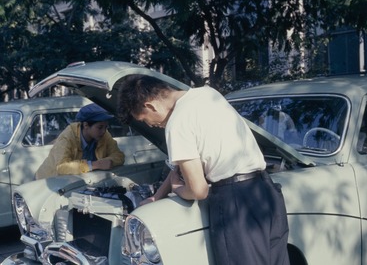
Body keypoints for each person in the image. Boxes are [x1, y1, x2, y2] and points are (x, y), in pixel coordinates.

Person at [117, 75, 290, 265]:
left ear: (151, 106)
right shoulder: (208, 95)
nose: (150, 125)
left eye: (144, 119)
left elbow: (199, 190)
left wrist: (177, 189)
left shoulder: (177, 124)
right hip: (266, 192)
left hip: (236, 203)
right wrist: (157, 196)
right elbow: (180, 168)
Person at [35, 103, 125, 179]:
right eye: (100, 127)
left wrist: (109, 161)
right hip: (47, 181)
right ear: (86, 125)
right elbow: (62, 167)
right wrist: (94, 165)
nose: (104, 131)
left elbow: (119, 155)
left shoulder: (104, 135)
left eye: (106, 127)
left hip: (75, 181)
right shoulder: (67, 137)